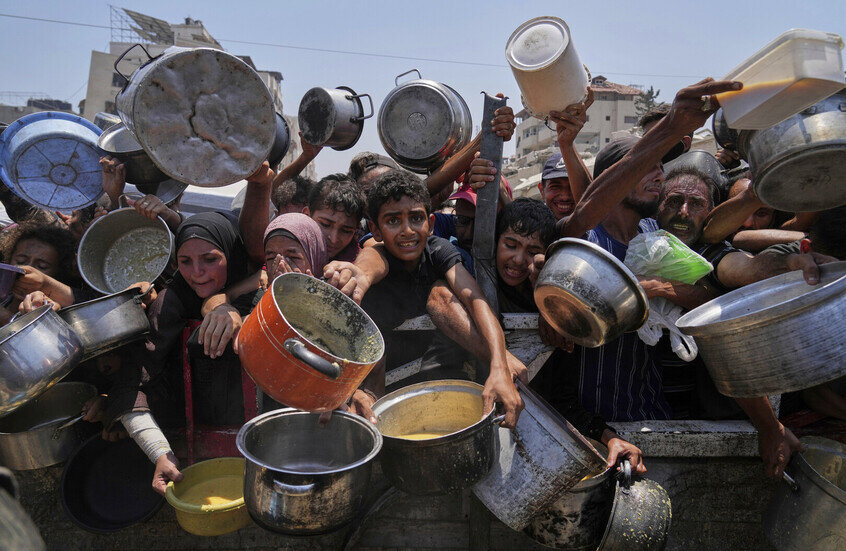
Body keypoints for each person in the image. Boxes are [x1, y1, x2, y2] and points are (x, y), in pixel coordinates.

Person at [428, 198, 647, 473]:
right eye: (510, 245)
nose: (519, 260)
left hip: (514, 450)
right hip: (450, 427)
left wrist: (609, 437)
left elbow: (562, 400)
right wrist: (502, 360)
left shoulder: (556, 311)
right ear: (494, 241)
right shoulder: (472, 269)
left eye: (532, 251)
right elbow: (439, 300)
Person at [323, 170, 524, 428]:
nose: (407, 230)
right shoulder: (377, 254)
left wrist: (500, 364)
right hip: (378, 377)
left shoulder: (437, 250)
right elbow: (371, 262)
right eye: (393, 221)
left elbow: (474, 297)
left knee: (440, 293)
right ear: (376, 230)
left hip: (435, 376)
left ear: (429, 223)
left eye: (416, 218)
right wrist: (360, 274)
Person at [105, 212, 259, 495]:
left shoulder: (263, 287)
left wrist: (230, 306)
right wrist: (159, 451)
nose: (196, 272)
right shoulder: (169, 301)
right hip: (191, 436)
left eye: (210, 259)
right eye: (185, 262)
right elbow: (133, 380)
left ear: (231, 253)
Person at [0, 220, 82, 323]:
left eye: (42, 266)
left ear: (59, 273)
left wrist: (7, 319)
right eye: (20, 261)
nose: (27, 270)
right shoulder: (4, 298)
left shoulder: (50, 309)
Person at [304, 174, 365, 262]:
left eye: (346, 231)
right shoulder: (285, 250)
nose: (333, 239)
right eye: (325, 225)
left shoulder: (359, 265)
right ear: (307, 215)